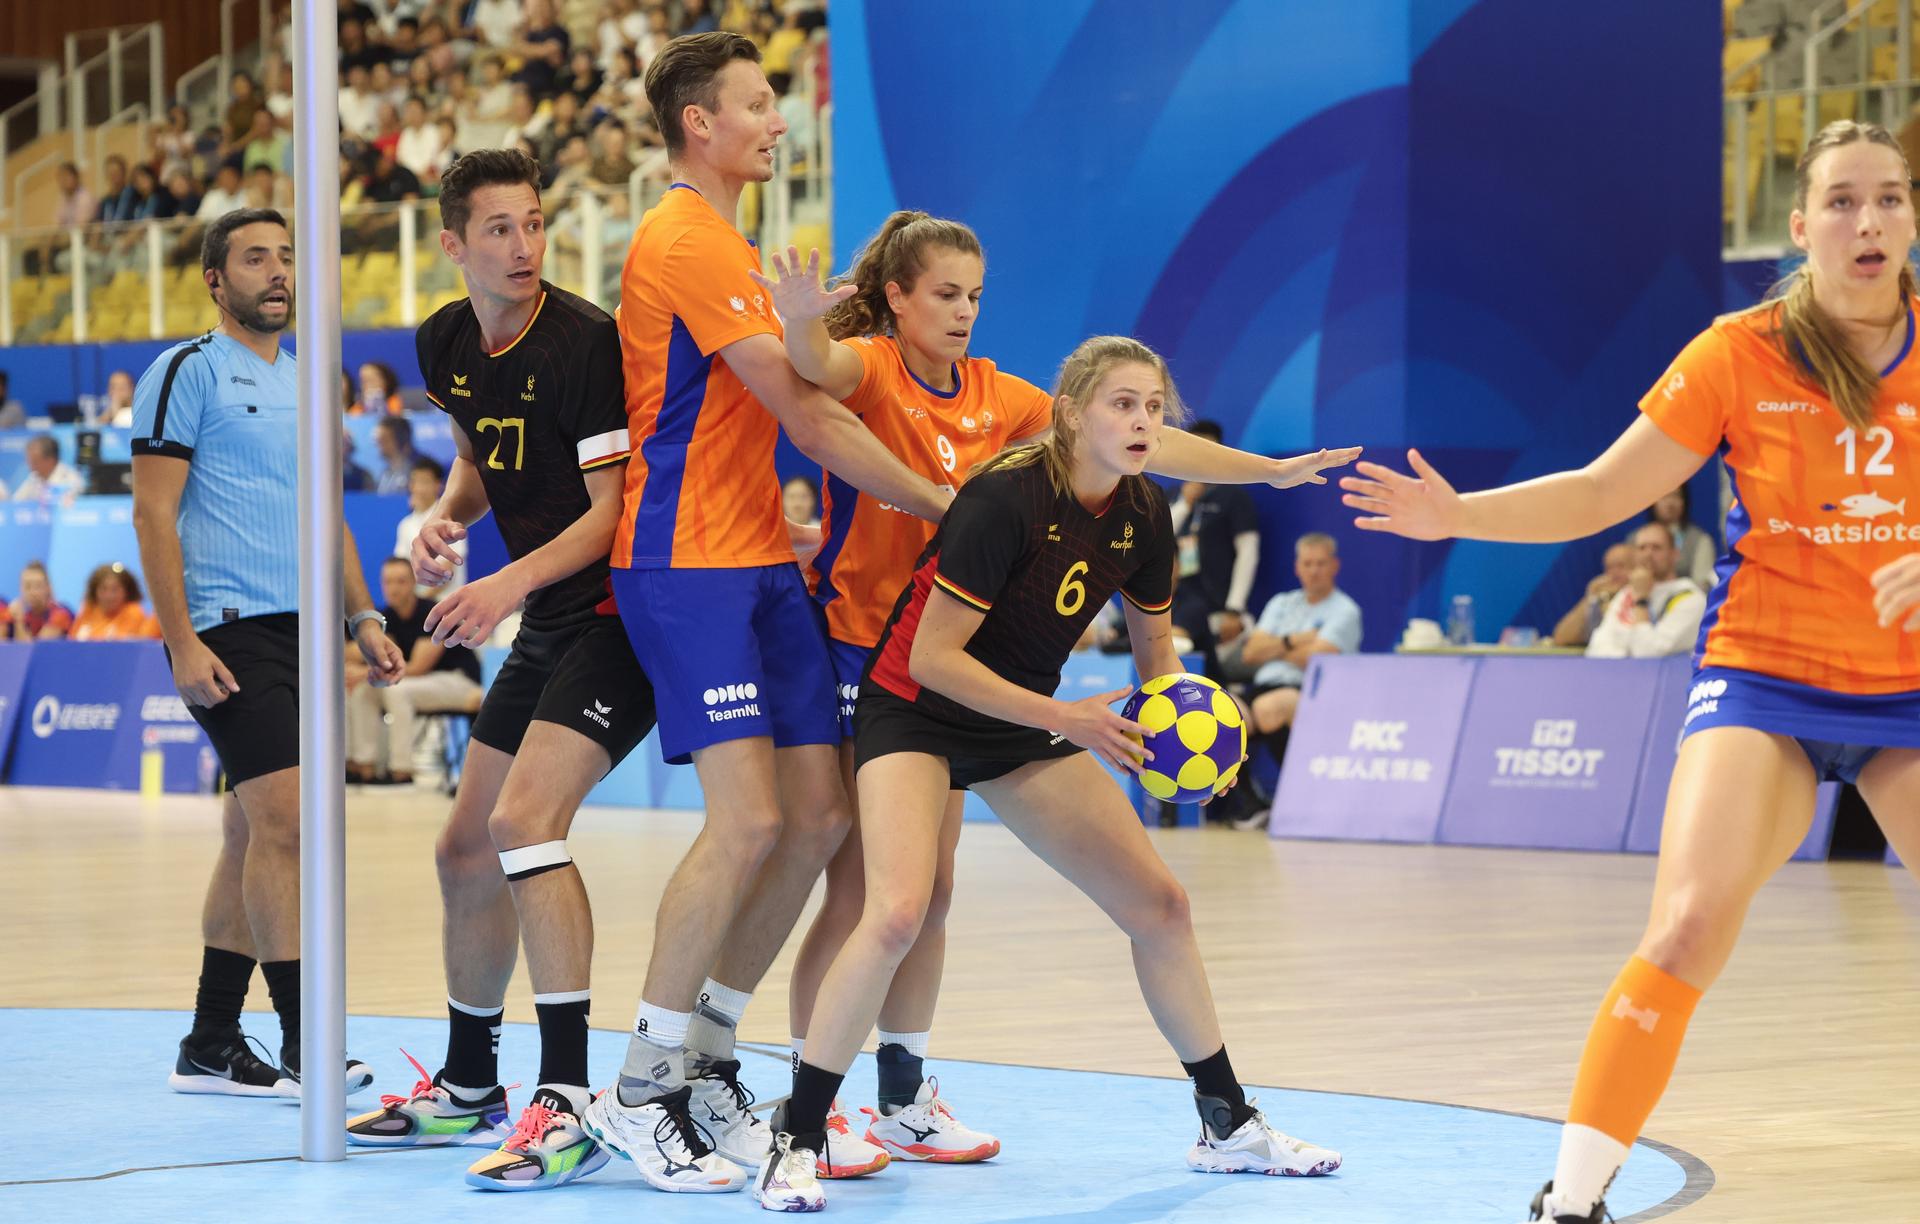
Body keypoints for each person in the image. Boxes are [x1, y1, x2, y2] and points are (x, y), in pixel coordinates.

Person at [1338, 120, 1920, 1224]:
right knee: (1690, 924)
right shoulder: (1738, 352)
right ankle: (1575, 1198)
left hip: (1909, 689)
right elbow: (1605, 491)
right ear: (1800, 230)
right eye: (1842, 201)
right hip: (1767, 678)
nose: (1869, 221)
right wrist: (1459, 514)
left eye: (1890, 198)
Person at [757, 212, 1362, 1176]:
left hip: (1018, 715)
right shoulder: (1003, 496)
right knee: (895, 906)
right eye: (1123, 406)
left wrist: (1180, 730)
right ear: (1073, 412)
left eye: (1154, 409)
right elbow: (938, 664)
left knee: (1160, 905)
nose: (1143, 425)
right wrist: (1070, 719)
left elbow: (1157, 653)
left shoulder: (1142, 511)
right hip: (911, 701)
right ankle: (799, 1133)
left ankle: (1227, 1123)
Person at [584, 32, 956, 1196]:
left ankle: (706, 1058)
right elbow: (808, 413)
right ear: (701, 123)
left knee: (816, 819)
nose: (777, 120)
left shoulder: (734, 245)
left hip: (759, 562)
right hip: (684, 561)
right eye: (757, 103)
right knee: (746, 822)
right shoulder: (681, 237)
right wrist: (954, 506)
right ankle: (637, 1088)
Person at [340, 149, 658, 1195]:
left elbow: (609, 516)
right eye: (500, 230)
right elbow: (486, 459)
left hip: (621, 620)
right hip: (546, 619)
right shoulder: (444, 341)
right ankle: (470, 1082)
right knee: (463, 849)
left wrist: (502, 586)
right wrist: (443, 520)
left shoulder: (585, 343)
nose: (525, 247)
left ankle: (566, 1103)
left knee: (525, 826)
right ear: (452, 244)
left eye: (534, 225)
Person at [131, 207, 406, 1100]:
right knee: (287, 827)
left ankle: (210, 1043)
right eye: (255, 259)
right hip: (227, 626)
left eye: (285, 257)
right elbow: (153, 514)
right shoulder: (182, 373)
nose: (277, 272)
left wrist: (363, 616)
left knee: (251, 832)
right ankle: (306, 1042)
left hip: (309, 630)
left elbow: (327, 514)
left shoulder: (309, 378)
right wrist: (181, 642)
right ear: (216, 281)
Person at [1234, 532, 1363, 818]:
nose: (1314, 570)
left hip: (1313, 690)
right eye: (1308, 563)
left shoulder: (1345, 610)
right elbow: (1250, 653)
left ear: (1334, 566)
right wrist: (1295, 640)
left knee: (1270, 707)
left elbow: (1318, 657)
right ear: (1297, 568)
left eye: (1320, 563)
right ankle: (1252, 805)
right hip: (1263, 683)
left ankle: (1301, 799)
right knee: (1224, 714)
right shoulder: (1282, 602)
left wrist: (1276, 646)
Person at [345, 557, 483, 785]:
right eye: (388, 582)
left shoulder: (431, 613)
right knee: (364, 692)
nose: (393, 588)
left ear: (412, 583)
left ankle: (402, 770)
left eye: (400, 582)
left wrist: (363, 671)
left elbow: (419, 667)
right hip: (421, 682)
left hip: (459, 680)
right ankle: (364, 766)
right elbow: (362, 653)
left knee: (397, 691)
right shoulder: (386, 617)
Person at [1585, 522, 1705, 659]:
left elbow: (1648, 653)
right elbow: (1596, 646)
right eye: (1642, 548)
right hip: (1618, 674)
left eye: (1656, 548)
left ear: (1674, 554)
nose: (1648, 554)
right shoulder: (1627, 592)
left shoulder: (1691, 598)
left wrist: (1641, 601)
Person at [395, 456, 465, 595]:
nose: (419, 488)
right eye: (415, 481)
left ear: (438, 485)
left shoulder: (449, 519)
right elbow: (402, 569)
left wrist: (421, 602)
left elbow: (449, 569)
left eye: (425, 482)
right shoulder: (405, 524)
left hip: (447, 605)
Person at [1551, 541, 1634, 648]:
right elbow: (1561, 638)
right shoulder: (1601, 598)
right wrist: (1590, 596)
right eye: (1609, 567)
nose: (1614, 573)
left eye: (1621, 566)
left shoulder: (1644, 598)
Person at [1645, 483, 1718, 589]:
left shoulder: (1699, 540)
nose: (1670, 503)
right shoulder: (1636, 538)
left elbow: (1703, 587)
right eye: (1663, 496)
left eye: (1675, 496)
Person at [69, 562, 162, 640]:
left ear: (127, 592)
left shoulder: (133, 612)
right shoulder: (87, 610)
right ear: (95, 591)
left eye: (115, 590)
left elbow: (143, 640)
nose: (109, 596)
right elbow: (71, 641)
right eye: (103, 589)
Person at [1, 561, 74, 640]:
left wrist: (19, 622)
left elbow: (35, 650)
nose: (33, 592)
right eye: (27, 586)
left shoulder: (60, 615)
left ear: (48, 587)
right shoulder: (22, 615)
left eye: (38, 586)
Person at [12, 435, 85, 504]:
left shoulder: (72, 479)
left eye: (34, 461)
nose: (30, 465)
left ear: (50, 460)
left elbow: (68, 507)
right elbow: (15, 502)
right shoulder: (34, 477)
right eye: (29, 461)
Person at [373, 414, 421, 494]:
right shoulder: (385, 474)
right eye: (377, 441)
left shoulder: (421, 471)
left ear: (402, 440)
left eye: (384, 440)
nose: (378, 445)